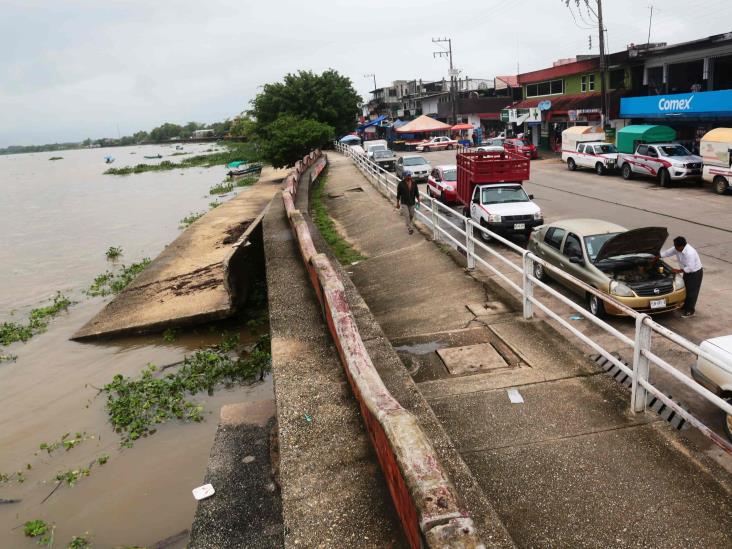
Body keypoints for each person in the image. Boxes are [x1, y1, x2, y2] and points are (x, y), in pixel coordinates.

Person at [659, 236, 703, 317]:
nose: (674, 248)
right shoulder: (677, 248)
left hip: (695, 273)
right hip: (687, 272)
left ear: (682, 246)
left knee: (692, 293)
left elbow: (690, 268)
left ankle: (690, 311)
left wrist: (677, 271)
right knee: (686, 289)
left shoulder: (690, 253)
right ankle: (685, 307)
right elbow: (668, 252)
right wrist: (658, 256)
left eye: (676, 247)